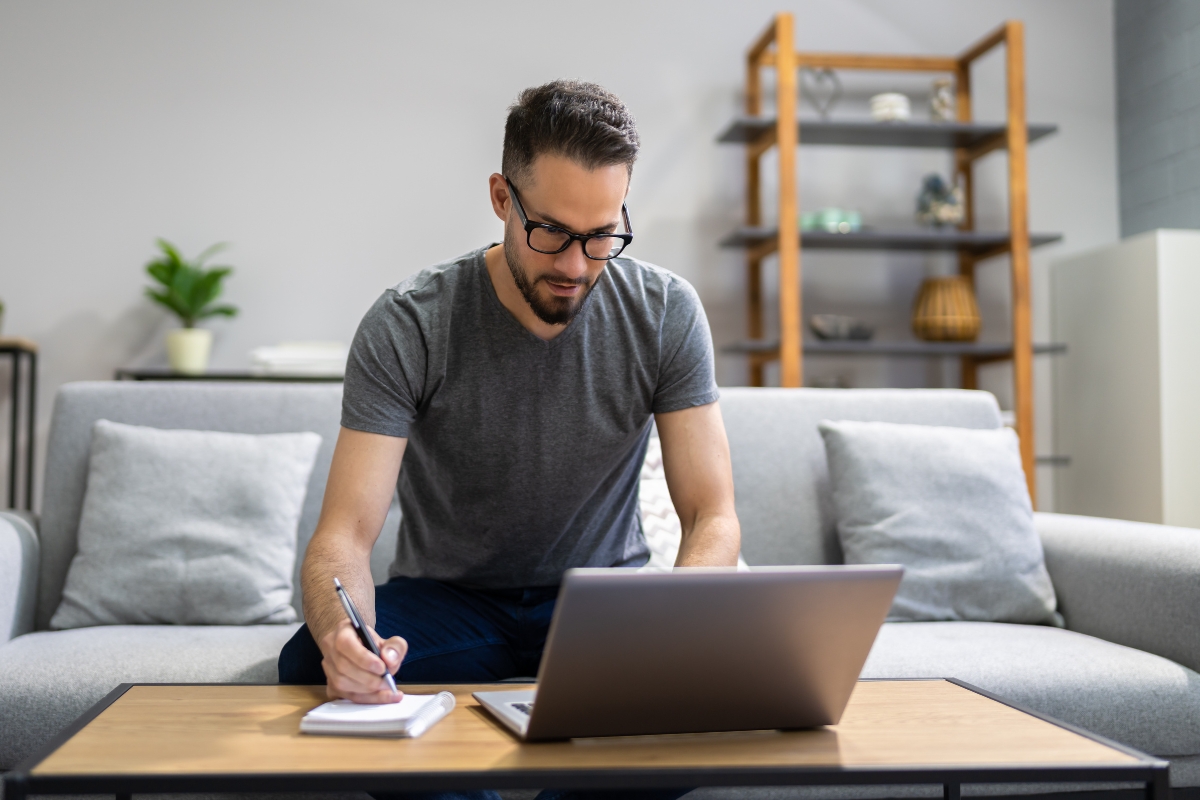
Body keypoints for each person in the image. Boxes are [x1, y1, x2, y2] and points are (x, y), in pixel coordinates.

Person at [279, 81, 739, 795]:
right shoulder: (410, 323)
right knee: (309, 664)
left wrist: (675, 627)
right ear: (501, 198)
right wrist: (348, 639)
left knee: (718, 687)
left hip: (602, 601)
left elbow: (712, 515)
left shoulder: (666, 312)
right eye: (551, 232)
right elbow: (343, 535)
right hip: (449, 599)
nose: (576, 266)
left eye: (602, 235)